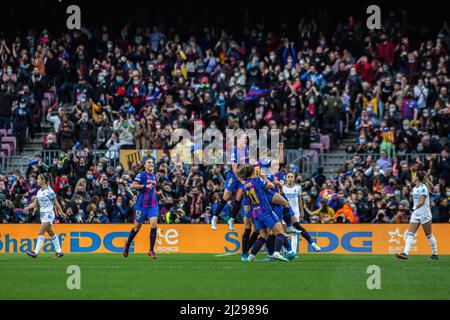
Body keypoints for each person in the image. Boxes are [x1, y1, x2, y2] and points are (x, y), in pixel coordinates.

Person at [236, 164, 289, 262]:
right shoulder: (257, 181)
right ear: (252, 172)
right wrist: (264, 178)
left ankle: (251, 256)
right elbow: (272, 186)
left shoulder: (244, 187)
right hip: (265, 211)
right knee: (280, 232)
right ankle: (276, 253)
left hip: (255, 213)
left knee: (264, 235)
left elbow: (247, 202)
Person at [211, 132, 250, 231]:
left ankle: (231, 219)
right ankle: (215, 217)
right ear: (238, 139)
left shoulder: (247, 149)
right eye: (244, 139)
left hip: (243, 176)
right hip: (234, 176)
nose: (245, 140)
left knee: (239, 197)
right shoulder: (235, 151)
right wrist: (241, 180)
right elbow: (234, 168)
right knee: (227, 196)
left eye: (246, 139)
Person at [395, 171, 439, 260]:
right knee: (410, 234)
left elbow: (422, 202)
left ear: (417, 178)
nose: (413, 177)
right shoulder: (415, 188)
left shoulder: (423, 188)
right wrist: (411, 210)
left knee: (428, 234)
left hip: (424, 213)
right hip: (416, 213)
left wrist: (412, 209)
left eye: (414, 175)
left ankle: (435, 254)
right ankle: (405, 253)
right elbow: (416, 202)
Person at [123, 158, 160, 259]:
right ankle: (128, 243)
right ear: (145, 165)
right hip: (141, 206)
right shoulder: (142, 175)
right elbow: (132, 186)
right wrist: (144, 186)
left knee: (154, 224)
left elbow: (151, 189)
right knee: (137, 227)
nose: (151, 164)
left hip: (152, 205)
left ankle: (151, 250)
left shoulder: (154, 176)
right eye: (149, 163)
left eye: (152, 162)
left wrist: (158, 193)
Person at [24, 173, 65, 258]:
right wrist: (28, 207)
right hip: (42, 215)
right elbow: (35, 203)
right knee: (51, 233)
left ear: (43, 181)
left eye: (39, 179)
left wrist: (61, 212)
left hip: (49, 214)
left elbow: (56, 203)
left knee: (41, 232)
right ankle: (59, 252)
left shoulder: (50, 191)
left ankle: (35, 252)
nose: (37, 180)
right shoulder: (39, 192)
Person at [282, 172, 304, 252]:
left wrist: (302, 210)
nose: (290, 178)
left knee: (295, 233)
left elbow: (300, 200)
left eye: (292, 176)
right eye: (289, 176)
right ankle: (286, 252)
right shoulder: (282, 187)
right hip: (285, 212)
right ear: (286, 178)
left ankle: (293, 252)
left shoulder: (298, 187)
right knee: (284, 233)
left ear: (294, 178)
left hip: (295, 212)